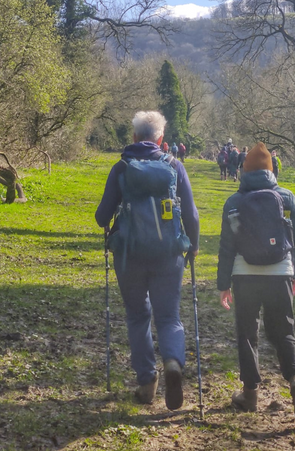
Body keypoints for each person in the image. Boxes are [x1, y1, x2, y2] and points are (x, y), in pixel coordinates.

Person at [95, 111, 199, 410]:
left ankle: (146, 382)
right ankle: (173, 364)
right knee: (169, 317)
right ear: (161, 140)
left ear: (134, 137)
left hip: (129, 255)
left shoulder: (121, 168)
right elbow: (191, 213)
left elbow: (102, 215)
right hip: (169, 254)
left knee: (137, 316)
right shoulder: (174, 165)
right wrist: (192, 247)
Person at [216, 142, 295, 421]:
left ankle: (250, 395)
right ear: (271, 170)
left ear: (244, 171)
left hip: (244, 276)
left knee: (247, 334)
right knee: (284, 331)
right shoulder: (287, 198)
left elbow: (226, 247)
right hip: (280, 272)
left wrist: (223, 284)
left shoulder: (234, 202)